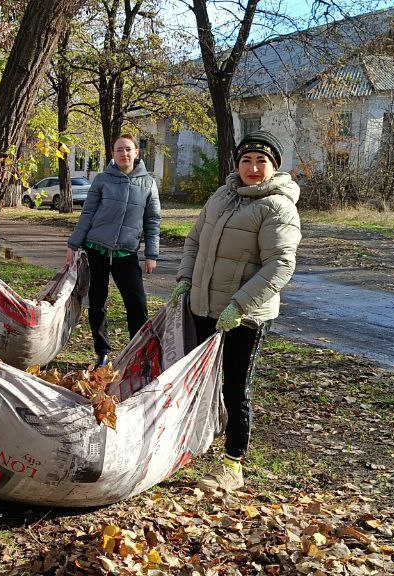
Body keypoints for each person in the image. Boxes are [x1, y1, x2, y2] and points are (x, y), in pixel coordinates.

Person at [172, 130, 301, 491]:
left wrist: (240, 305)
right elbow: (195, 239)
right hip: (203, 306)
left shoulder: (277, 207)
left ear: (274, 167)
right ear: (238, 164)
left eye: (262, 161)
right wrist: (185, 278)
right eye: (247, 160)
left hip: (244, 316)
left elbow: (280, 265)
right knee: (200, 382)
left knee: (235, 388)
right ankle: (192, 446)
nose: (253, 167)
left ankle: (233, 465)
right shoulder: (222, 196)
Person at [66, 133, 161, 367]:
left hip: (126, 253)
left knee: (136, 303)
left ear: (137, 152)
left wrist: (151, 254)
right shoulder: (102, 179)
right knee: (97, 302)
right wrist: (73, 245)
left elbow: (153, 220)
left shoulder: (148, 182)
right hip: (96, 250)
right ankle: (102, 352)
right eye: (119, 149)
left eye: (128, 149)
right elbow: (87, 213)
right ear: (113, 153)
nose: (124, 153)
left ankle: (138, 352)